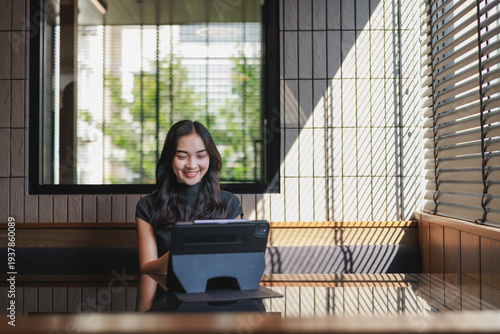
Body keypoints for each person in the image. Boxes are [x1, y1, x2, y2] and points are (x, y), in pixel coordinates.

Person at [136, 120, 243, 274]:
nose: (192, 165)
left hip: (218, 292)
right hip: (167, 293)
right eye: (182, 157)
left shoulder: (230, 203)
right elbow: (147, 268)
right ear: (170, 158)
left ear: (209, 158)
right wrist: (180, 251)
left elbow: (237, 264)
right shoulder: (148, 206)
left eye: (200, 156)